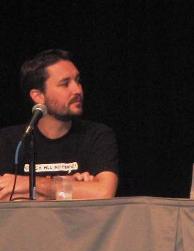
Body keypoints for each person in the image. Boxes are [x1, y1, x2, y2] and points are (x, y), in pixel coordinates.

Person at [0, 49, 118, 200]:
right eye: (65, 84)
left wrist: (28, 184)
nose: (77, 90)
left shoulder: (97, 135)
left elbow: (103, 192)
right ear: (38, 96)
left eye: (78, 80)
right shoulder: (8, 140)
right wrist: (70, 187)